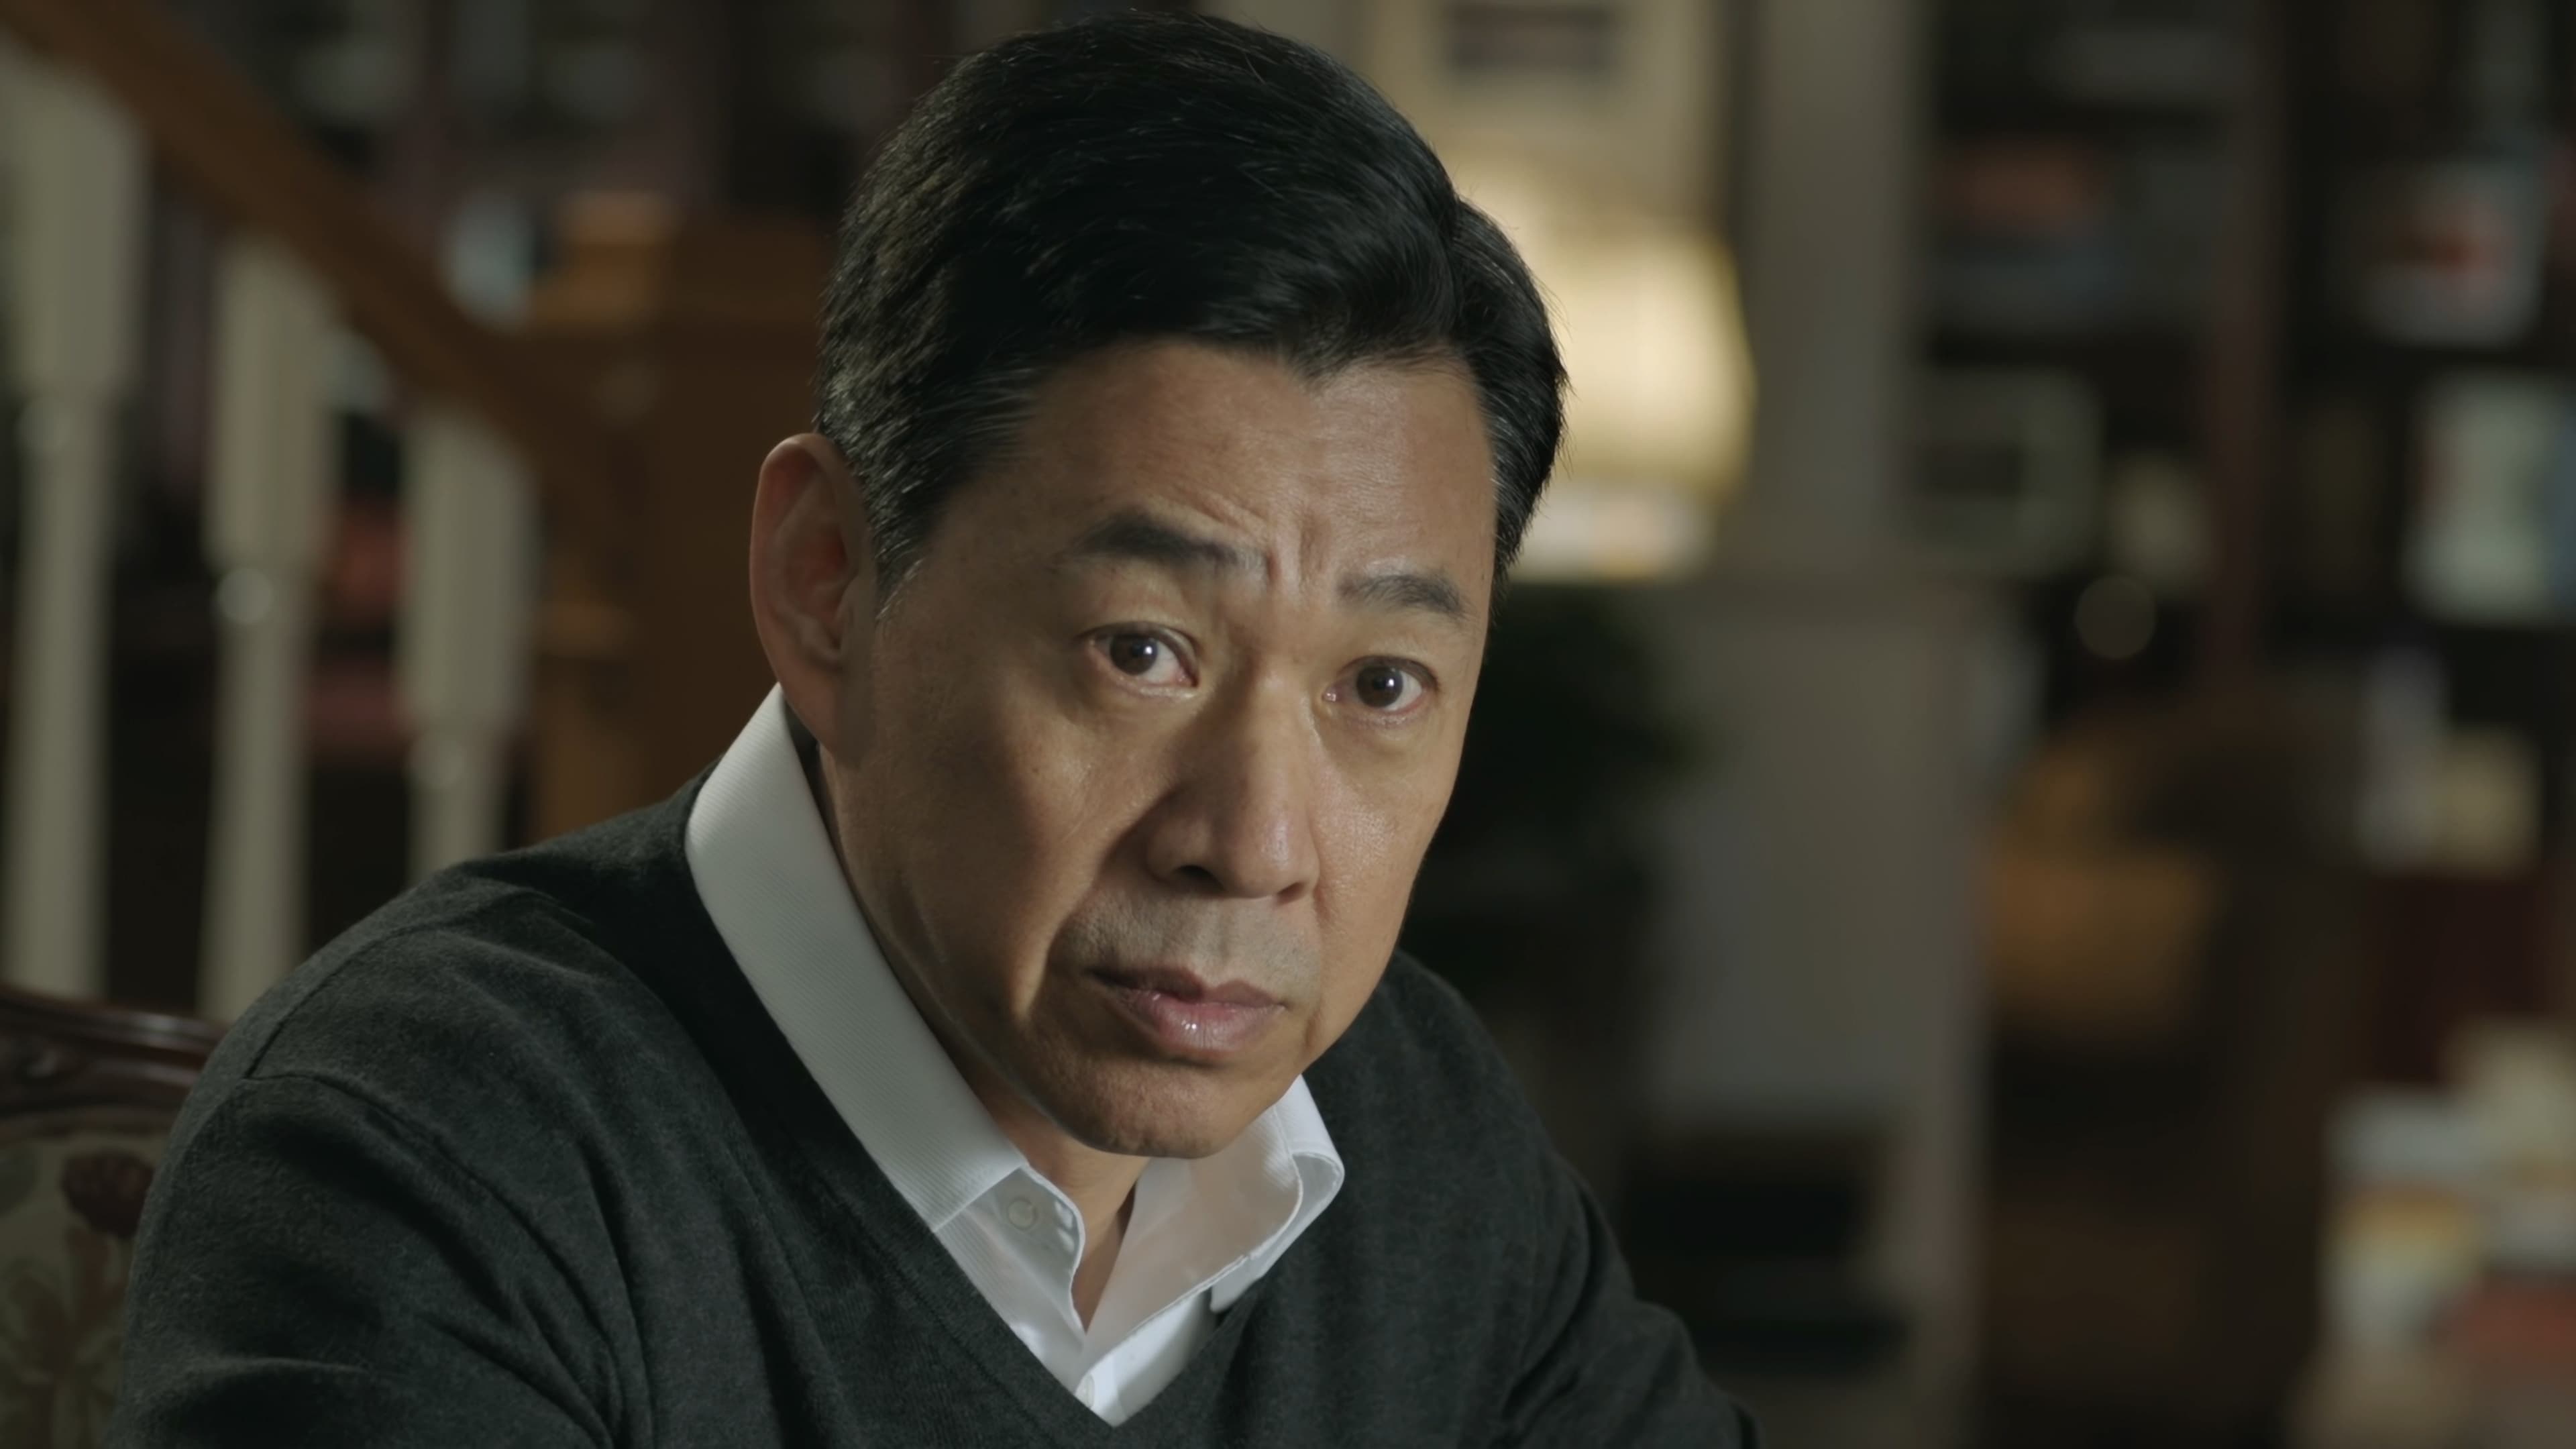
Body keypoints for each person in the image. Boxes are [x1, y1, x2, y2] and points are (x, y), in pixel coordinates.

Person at [110, 13, 1754, 1446]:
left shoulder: (1414, 1130)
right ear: (827, 582)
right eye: (1142, 651)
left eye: (1379, 687)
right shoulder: (431, 1153)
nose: (1253, 843)